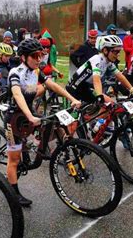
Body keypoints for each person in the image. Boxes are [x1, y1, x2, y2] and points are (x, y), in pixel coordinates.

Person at [5, 38, 81, 207]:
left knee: (52, 126)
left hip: (29, 113)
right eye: (35, 56)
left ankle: (37, 149)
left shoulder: (37, 70)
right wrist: (30, 117)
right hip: (14, 119)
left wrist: (72, 98)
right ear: (24, 57)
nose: (39, 59)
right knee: (14, 160)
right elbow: (17, 95)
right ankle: (14, 194)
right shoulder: (15, 72)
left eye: (41, 55)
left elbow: (52, 85)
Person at [66, 35, 133, 109]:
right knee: (77, 118)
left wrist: (132, 90)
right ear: (105, 50)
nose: (118, 55)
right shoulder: (97, 59)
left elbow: (120, 76)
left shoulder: (108, 62)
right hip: (75, 88)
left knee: (109, 105)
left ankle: (95, 122)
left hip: (85, 88)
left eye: (119, 52)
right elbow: (96, 79)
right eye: (115, 52)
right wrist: (99, 95)